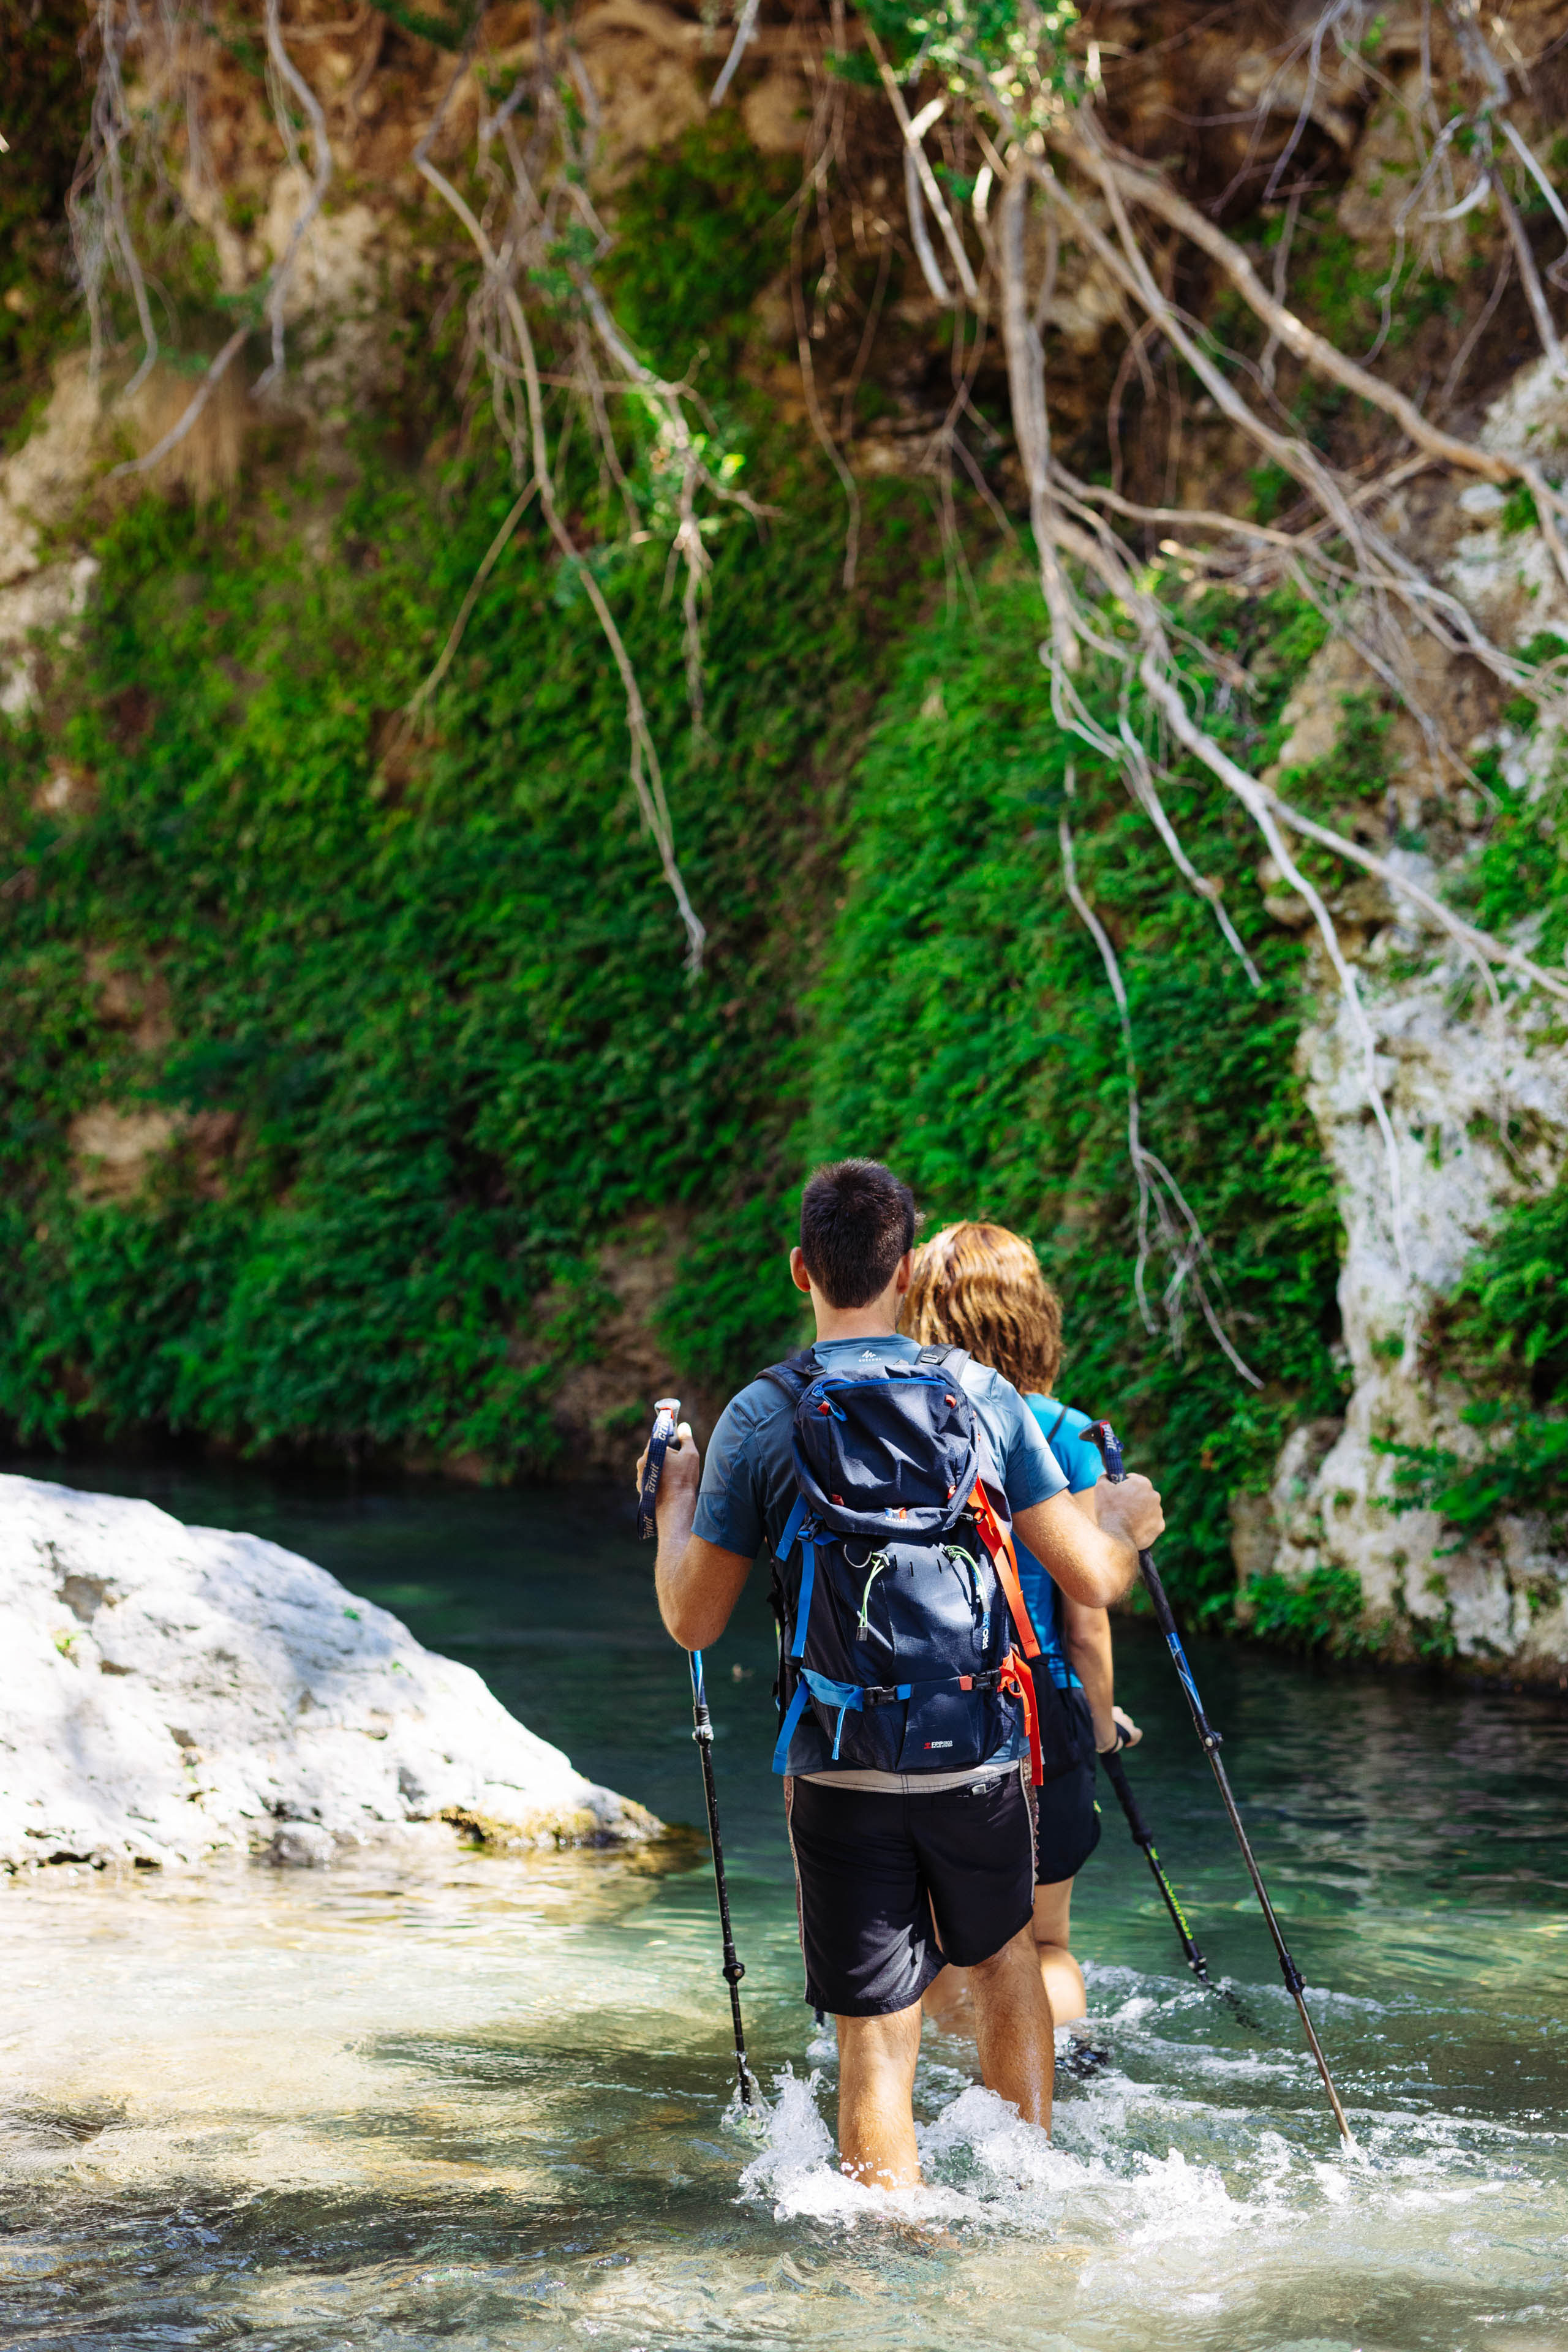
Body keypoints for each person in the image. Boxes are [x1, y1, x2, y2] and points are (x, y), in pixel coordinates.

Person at [637, 1159, 1164, 2190]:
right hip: (981, 1758)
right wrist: (1132, 1521)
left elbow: (693, 1622)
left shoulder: (759, 1415)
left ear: (802, 1270)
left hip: (840, 1770)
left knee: (874, 2041)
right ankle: (1030, 2202)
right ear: (911, 1266)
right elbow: (1094, 1577)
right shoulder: (985, 1397)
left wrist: (674, 1500)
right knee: (1010, 1971)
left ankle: (890, 2253)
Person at [903, 1220, 1141, 2034]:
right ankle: (1058, 2086)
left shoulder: (908, 1419)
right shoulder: (1070, 1432)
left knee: (938, 1943)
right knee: (1044, 1942)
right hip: (1045, 1715)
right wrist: (1100, 1728)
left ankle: (957, 2100)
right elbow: (1086, 1624)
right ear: (1032, 1312)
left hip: (929, 1717)